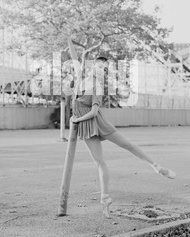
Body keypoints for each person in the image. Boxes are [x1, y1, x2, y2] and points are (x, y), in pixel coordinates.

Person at [71, 56, 175, 218]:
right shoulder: (81, 80)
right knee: (99, 162)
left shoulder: (97, 87)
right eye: (99, 67)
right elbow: (75, 100)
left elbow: (93, 112)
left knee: (128, 145)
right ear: (92, 66)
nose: (101, 71)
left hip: (96, 121)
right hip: (86, 127)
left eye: (104, 70)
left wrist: (77, 119)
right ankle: (105, 200)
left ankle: (155, 166)